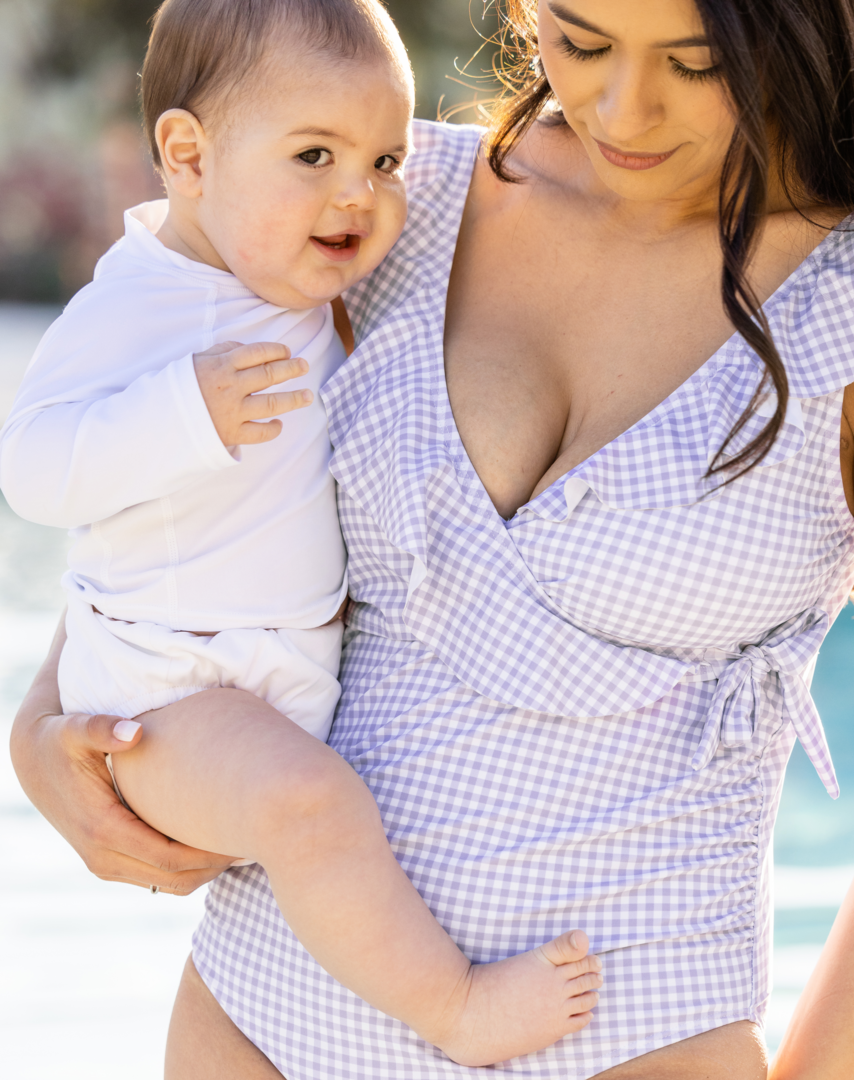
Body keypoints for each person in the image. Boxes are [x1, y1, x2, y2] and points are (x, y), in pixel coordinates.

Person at [11, 0, 854, 1077]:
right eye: (582, 41)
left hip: (632, 1037)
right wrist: (44, 728)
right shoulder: (390, 200)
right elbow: (175, 494)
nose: (622, 106)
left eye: (695, 62)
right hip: (263, 1018)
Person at [0, 0, 602, 1068]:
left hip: (269, 676)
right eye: (314, 155)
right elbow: (34, 472)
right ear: (187, 156)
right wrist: (182, 412)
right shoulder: (143, 304)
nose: (355, 195)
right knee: (309, 808)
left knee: (314, 808)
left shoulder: (304, 278)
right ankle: (455, 1010)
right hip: (165, 690)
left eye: (383, 159)